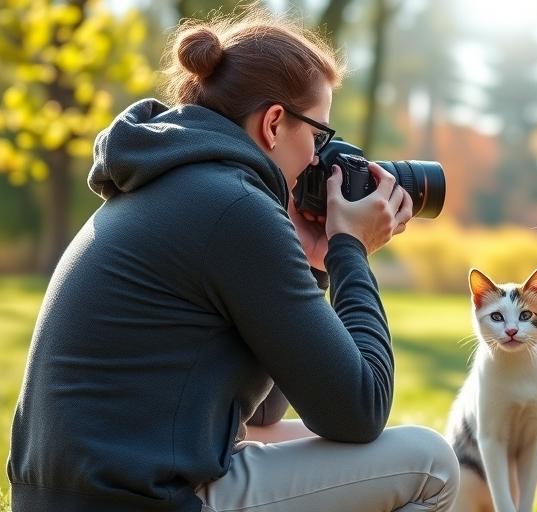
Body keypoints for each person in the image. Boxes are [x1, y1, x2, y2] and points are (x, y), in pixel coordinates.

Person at [6, 9, 459, 512]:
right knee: (429, 462)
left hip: (75, 497)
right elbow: (360, 409)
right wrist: (351, 249)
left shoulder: (172, 182)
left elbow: (259, 413)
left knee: (274, 432)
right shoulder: (234, 207)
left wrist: (314, 261)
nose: (318, 160)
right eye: (319, 136)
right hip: (144, 498)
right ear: (273, 123)